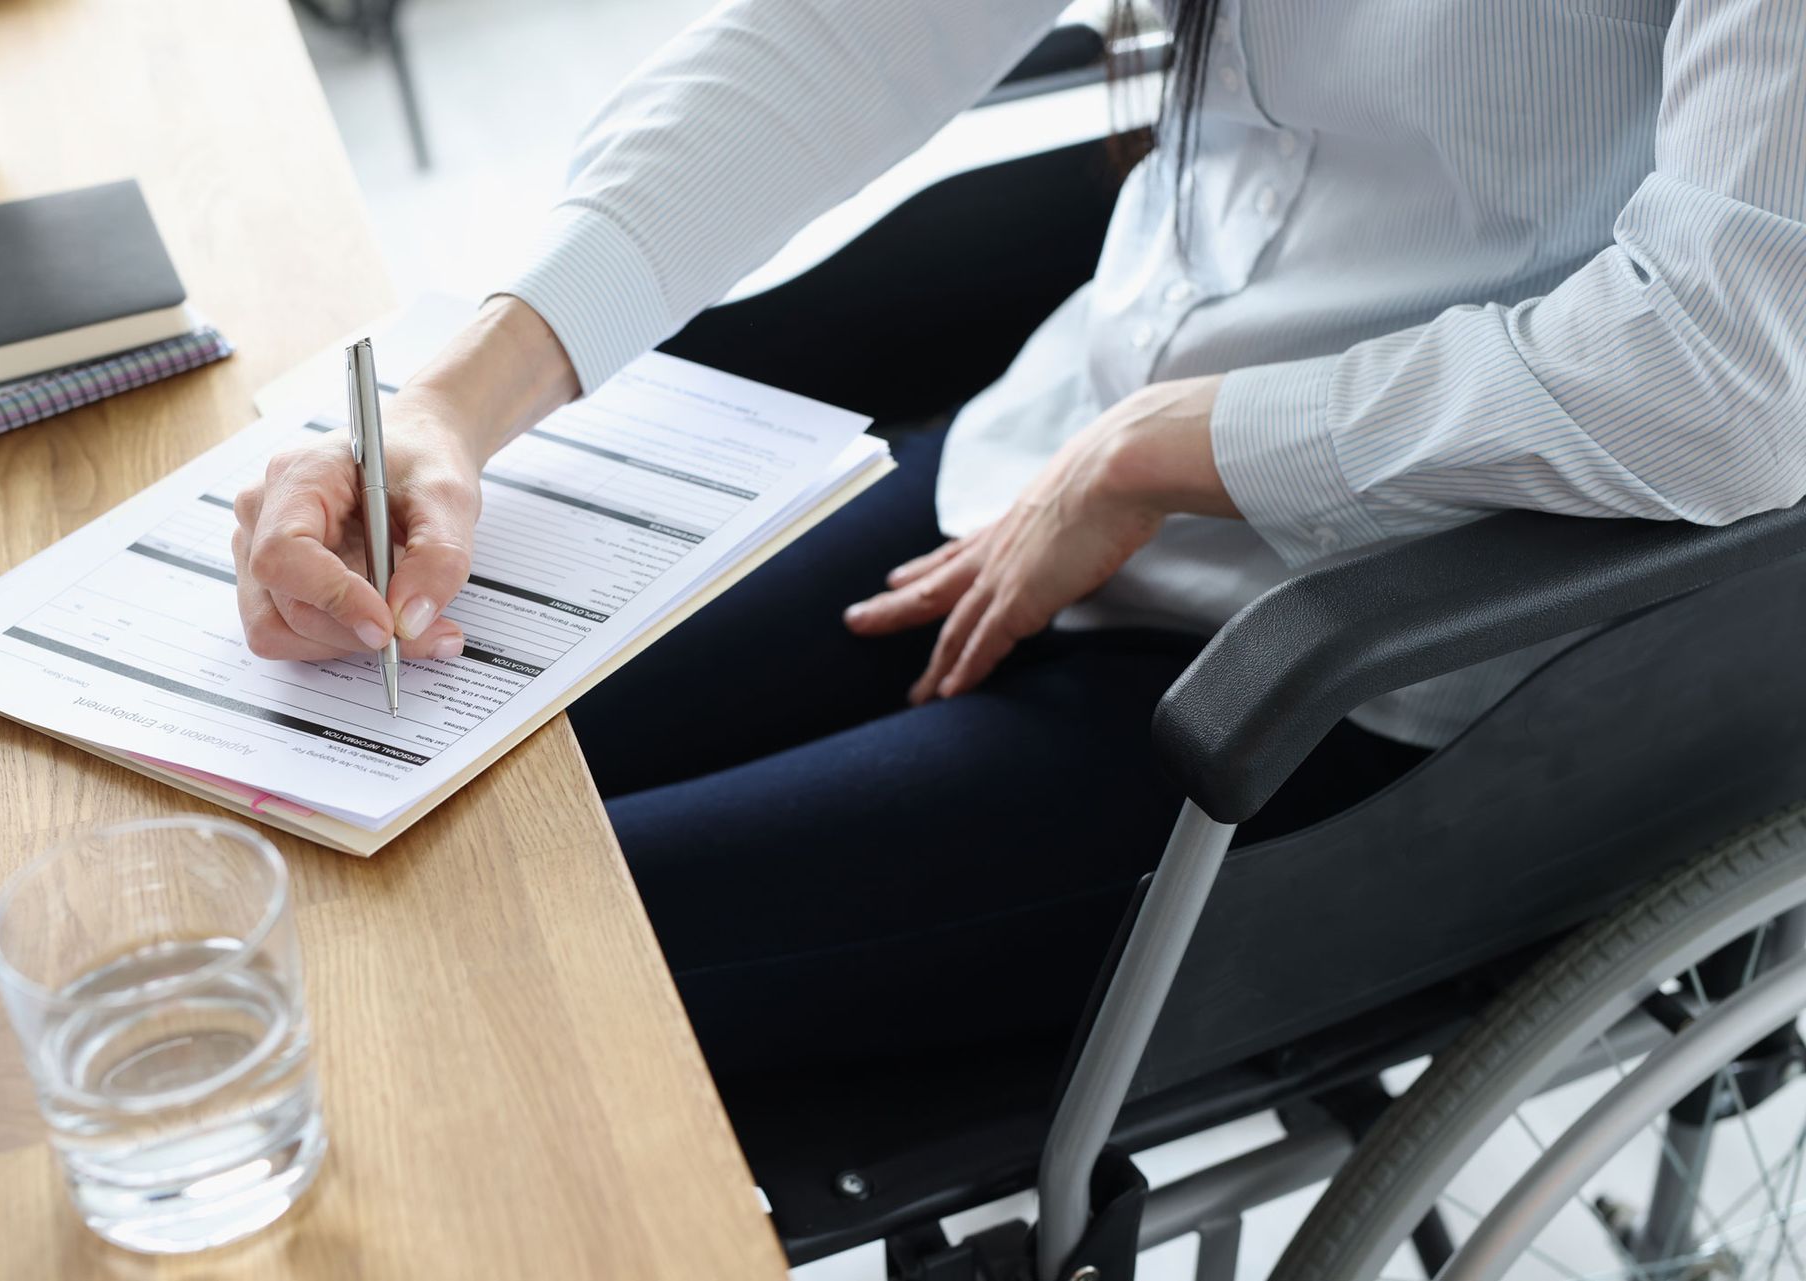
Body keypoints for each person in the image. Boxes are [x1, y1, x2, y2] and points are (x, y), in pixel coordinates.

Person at [232, 0, 1806, 1082]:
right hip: (1040, 460)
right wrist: (462, 394)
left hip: (1345, 659)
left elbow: (1731, 374)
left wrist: (1178, 446)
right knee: (337, 781)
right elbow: (858, 33)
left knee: (443, 969)